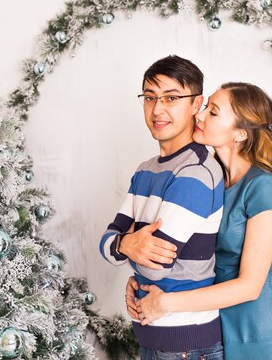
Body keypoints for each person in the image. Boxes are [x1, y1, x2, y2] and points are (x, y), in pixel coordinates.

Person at [126, 82, 272, 360]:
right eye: (205, 108)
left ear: (240, 132)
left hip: (260, 337)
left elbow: (250, 286)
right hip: (216, 331)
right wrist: (139, 278)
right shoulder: (210, 179)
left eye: (213, 112)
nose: (200, 115)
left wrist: (166, 302)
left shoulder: (264, 187)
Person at [99, 55, 225, 359]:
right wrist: (128, 243)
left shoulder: (196, 172)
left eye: (171, 98)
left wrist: (124, 244)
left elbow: (154, 268)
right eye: (150, 97)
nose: (157, 109)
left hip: (187, 345)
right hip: (153, 337)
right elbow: (105, 244)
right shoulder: (145, 170)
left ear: (197, 104)